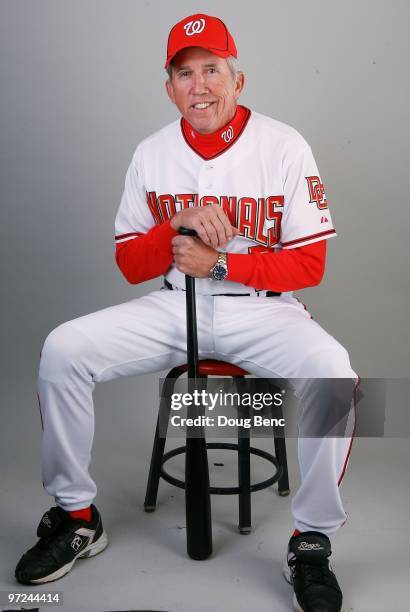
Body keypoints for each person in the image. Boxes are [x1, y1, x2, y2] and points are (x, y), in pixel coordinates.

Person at [15, 13, 358, 612]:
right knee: (62, 350)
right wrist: (174, 223)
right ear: (168, 86)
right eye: (184, 73)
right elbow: (129, 263)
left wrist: (220, 265)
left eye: (211, 70)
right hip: (174, 307)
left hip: (263, 311)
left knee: (339, 378)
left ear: (238, 78)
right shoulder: (151, 152)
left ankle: (312, 539)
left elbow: (309, 268)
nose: (199, 85)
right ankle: (76, 514)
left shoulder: (284, 145)